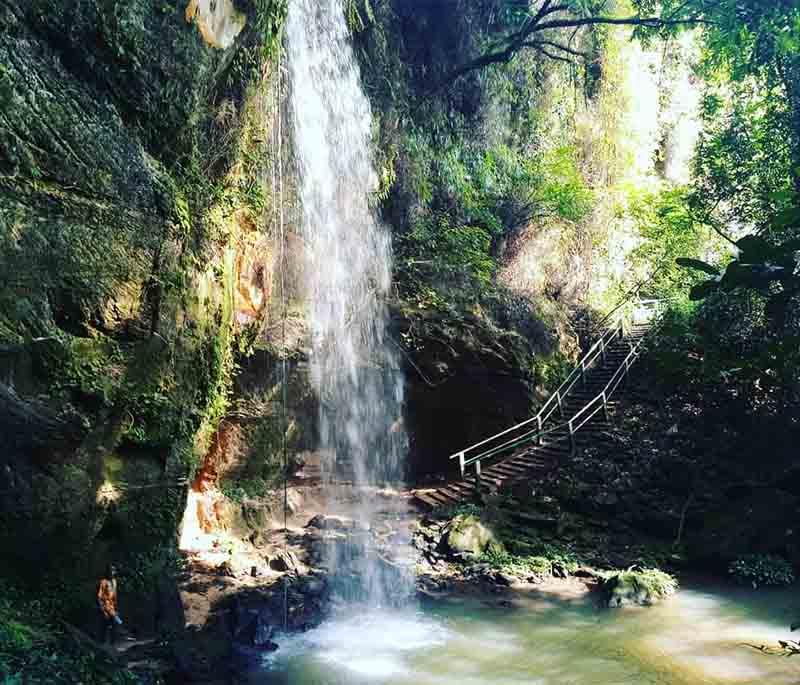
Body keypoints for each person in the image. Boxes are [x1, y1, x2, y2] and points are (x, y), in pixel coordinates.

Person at [97, 564, 123, 645]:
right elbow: (99, 597)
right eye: (110, 571)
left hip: (112, 608)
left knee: (115, 626)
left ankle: (112, 645)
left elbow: (115, 596)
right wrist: (103, 610)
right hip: (105, 607)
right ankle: (102, 644)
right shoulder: (103, 582)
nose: (112, 572)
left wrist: (116, 608)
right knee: (104, 627)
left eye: (113, 571)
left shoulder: (114, 582)